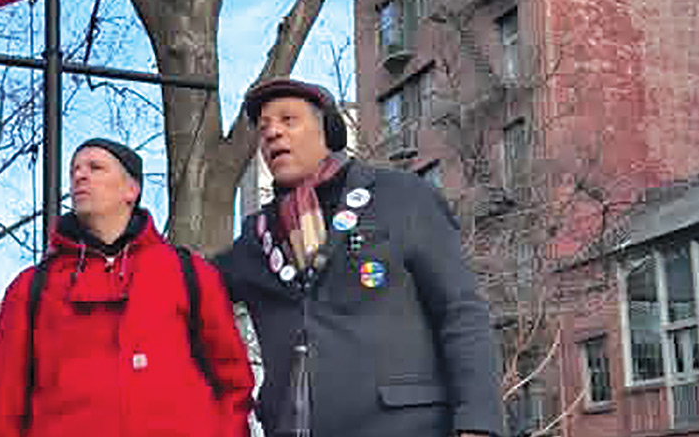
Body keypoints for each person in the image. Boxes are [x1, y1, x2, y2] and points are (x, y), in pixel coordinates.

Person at [215, 79, 505, 437]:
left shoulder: (402, 196)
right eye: (263, 128)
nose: (272, 133)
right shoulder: (256, 237)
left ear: (328, 130)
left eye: (288, 120)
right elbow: (186, 284)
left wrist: (477, 424)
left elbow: (460, 311)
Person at [0, 138, 254, 437]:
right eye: (74, 169)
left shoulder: (190, 274)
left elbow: (233, 382)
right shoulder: (30, 289)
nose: (80, 175)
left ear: (131, 190)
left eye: (95, 167)